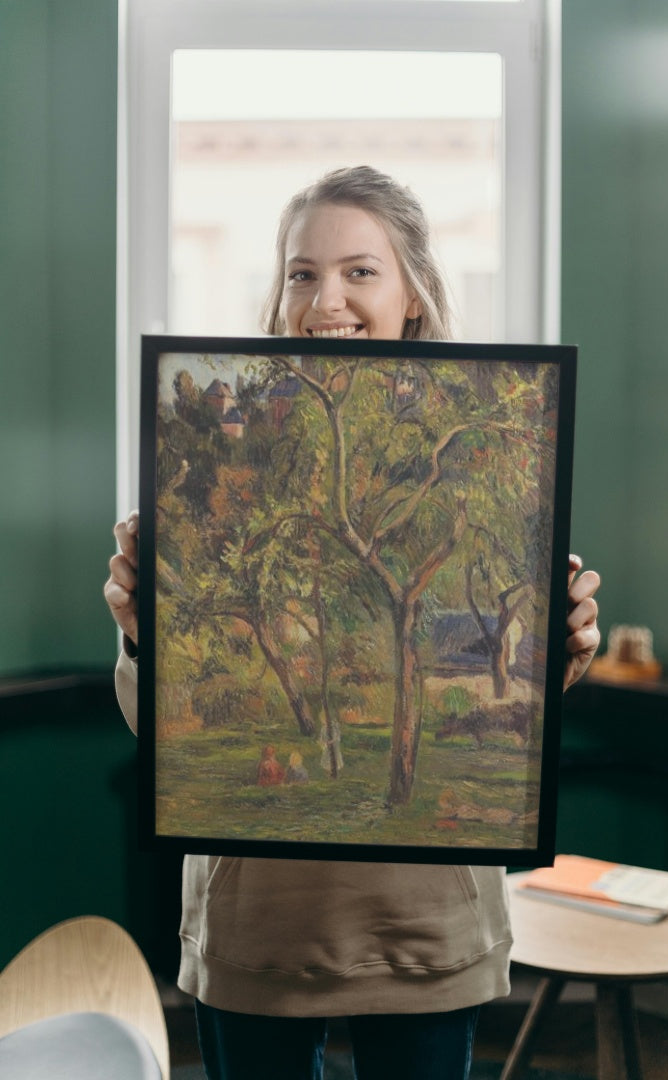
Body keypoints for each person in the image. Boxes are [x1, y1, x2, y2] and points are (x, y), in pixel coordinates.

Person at [105, 166, 601, 1080]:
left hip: (424, 924)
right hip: (257, 927)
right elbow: (164, 729)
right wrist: (145, 636)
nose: (324, 298)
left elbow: (519, 709)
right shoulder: (221, 454)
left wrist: (557, 649)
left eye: (359, 271)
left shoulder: (483, 445)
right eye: (301, 272)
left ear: (412, 292)